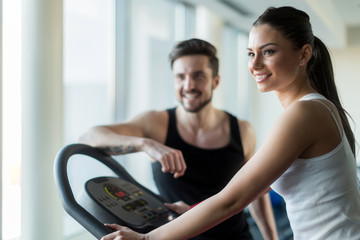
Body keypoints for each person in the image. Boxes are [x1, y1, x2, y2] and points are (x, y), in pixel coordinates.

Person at [99, 6, 360, 240]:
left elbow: (232, 200)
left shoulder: (304, 113)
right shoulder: (313, 109)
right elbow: (253, 188)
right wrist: (191, 210)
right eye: (250, 53)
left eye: (268, 51)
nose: (255, 64)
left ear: (304, 55)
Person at [79, 38, 278, 239]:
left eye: (198, 76)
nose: (188, 85)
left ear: (215, 81)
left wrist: (272, 237)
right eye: (180, 77)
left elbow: (255, 192)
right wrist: (145, 144)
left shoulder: (243, 131)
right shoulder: (155, 124)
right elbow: (88, 136)